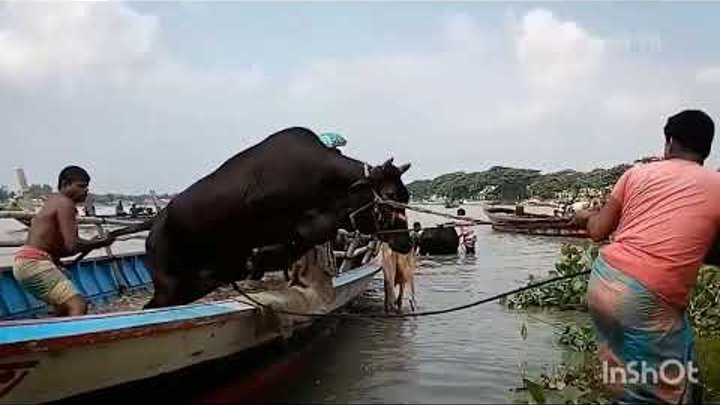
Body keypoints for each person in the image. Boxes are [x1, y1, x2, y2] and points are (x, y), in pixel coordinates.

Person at [573, 109, 720, 404]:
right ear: (707, 148)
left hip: (604, 281)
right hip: (645, 298)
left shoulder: (635, 174)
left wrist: (584, 217)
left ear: (669, 142)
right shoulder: (716, 185)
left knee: (628, 377)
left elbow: (598, 230)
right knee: (655, 395)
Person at [13, 166, 116, 316]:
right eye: (81, 186)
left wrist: (91, 243)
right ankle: (74, 338)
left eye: (87, 187)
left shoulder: (54, 200)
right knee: (78, 305)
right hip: (34, 264)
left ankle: (51, 336)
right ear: (65, 184)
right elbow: (72, 246)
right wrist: (100, 243)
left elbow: (58, 248)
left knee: (62, 308)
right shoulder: (66, 204)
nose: (85, 191)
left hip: (25, 262)